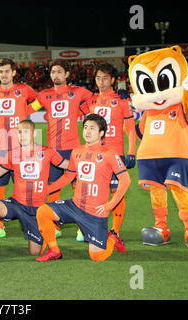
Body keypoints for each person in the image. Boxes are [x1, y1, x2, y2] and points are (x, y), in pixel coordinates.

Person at [35, 113, 131, 262]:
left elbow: (125, 180)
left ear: (101, 133)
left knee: (97, 257)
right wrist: (46, 190)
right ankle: (54, 250)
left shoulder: (110, 154)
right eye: (85, 127)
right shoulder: (77, 152)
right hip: (75, 206)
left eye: (92, 128)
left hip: (95, 213)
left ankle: (112, 239)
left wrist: (111, 204)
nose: (87, 131)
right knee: (43, 211)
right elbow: (69, 176)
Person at [0, 120, 69, 264]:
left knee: (34, 252)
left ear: (35, 133)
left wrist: (85, 164)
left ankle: (45, 231)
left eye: (26, 132)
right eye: (19, 132)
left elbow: (68, 166)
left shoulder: (47, 152)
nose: (22, 135)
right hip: (17, 204)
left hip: (37, 210)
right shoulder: (13, 154)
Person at [79, 63, 136, 244]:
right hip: (94, 154)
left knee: (115, 190)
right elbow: (81, 111)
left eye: (105, 78)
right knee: (93, 190)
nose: (101, 81)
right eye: (98, 78)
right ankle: (91, 226)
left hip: (115, 153)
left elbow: (130, 127)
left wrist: (132, 151)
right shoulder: (92, 100)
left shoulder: (121, 99)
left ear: (112, 80)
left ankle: (115, 231)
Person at [0, 58, 38, 236]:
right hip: (0, 146)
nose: (4, 75)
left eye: (7, 71)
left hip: (21, 147)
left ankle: (26, 219)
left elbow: (38, 101)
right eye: (1, 72)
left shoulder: (24, 89)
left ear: (14, 72)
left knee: (23, 185)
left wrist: (25, 112)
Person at [30, 59, 93, 203]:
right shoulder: (44, 95)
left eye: (59, 72)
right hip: (52, 150)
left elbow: (96, 99)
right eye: (53, 72)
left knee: (78, 184)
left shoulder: (77, 92)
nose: (55, 75)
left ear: (67, 74)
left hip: (74, 149)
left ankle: (81, 221)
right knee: (53, 186)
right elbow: (28, 109)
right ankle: (53, 224)